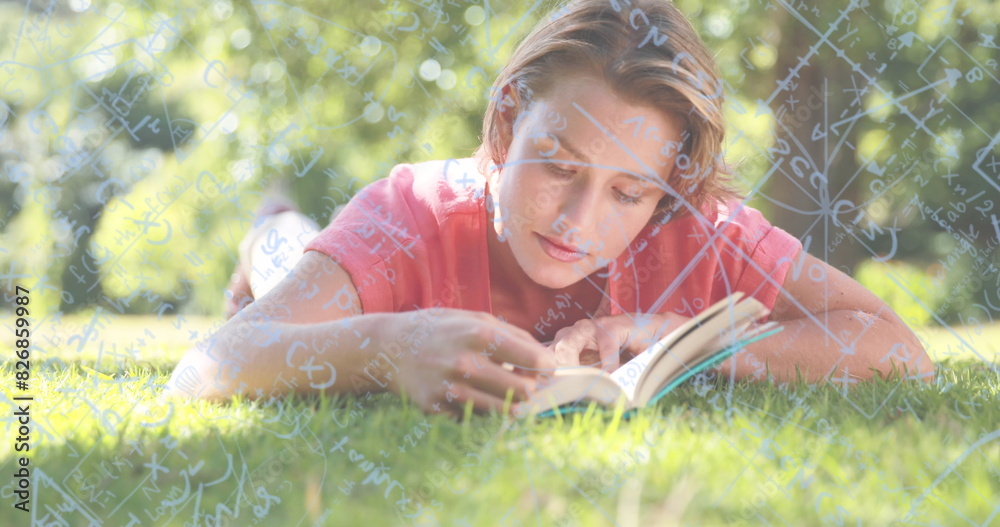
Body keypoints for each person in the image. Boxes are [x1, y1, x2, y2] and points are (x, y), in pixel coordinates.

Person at [163, 0, 934, 418]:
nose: (579, 219)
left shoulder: (696, 226)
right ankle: (270, 227)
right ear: (505, 125)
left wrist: (702, 350)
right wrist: (390, 348)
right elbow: (209, 367)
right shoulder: (408, 213)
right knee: (283, 258)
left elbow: (898, 350)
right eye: (559, 167)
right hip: (340, 261)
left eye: (628, 193)